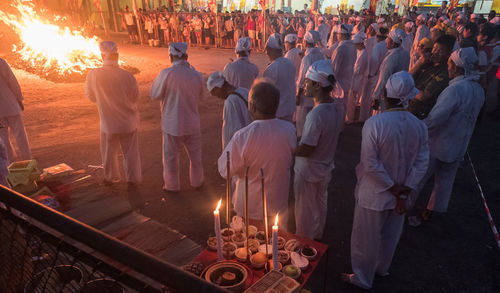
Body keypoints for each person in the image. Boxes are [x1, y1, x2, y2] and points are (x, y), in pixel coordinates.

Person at [342, 71, 429, 289]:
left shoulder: (375, 123)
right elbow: (422, 163)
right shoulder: (419, 126)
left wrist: (393, 188)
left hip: (375, 193)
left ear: (385, 95)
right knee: (390, 236)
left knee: (366, 239)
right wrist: (404, 191)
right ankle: (381, 268)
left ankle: (362, 277)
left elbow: (370, 164)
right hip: (401, 195)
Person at [416, 48, 485, 220]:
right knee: (445, 180)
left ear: (456, 67)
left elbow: (436, 119)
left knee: (419, 175)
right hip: (459, 145)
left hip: (439, 143)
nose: (447, 67)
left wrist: (416, 129)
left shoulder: (454, 90)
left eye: (449, 64)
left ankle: (404, 204)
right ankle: (433, 211)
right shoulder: (478, 89)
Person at [218, 81, 296, 229]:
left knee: (248, 246)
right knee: (276, 246)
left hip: (249, 208)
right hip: (278, 203)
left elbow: (224, 170)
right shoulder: (289, 129)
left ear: (252, 107)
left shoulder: (242, 136)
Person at [294, 60, 340, 240]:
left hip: (309, 170)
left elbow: (307, 148)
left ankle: (304, 242)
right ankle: (317, 234)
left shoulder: (316, 114)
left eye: (307, 82)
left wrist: (290, 148)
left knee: (304, 209)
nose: (304, 86)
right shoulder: (336, 107)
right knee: (320, 203)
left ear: (318, 85)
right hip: (325, 166)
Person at [85, 41, 141, 186]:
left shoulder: (94, 74)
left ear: (102, 55)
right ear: (117, 56)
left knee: (109, 153)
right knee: (131, 153)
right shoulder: (128, 75)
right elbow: (134, 96)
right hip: (128, 121)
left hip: (108, 123)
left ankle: (110, 177)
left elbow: (90, 97)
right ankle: (133, 180)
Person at [151, 43, 204, 192]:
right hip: (192, 122)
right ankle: (197, 182)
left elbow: (154, 94)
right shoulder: (196, 74)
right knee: (196, 157)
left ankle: (172, 186)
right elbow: (201, 95)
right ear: (186, 56)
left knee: (170, 159)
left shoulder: (166, 73)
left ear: (171, 56)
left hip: (172, 123)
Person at [409, 35, 455, 119]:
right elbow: (408, 76)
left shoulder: (444, 72)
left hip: (420, 114)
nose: (435, 52)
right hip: (409, 109)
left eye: (440, 50)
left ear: (448, 54)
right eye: (434, 48)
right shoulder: (426, 63)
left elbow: (423, 96)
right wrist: (419, 64)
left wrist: (406, 88)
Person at [207, 71, 252, 149]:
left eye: (215, 93)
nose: (217, 96)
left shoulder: (231, 100)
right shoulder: (244, 91)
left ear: (219, 87)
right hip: (252, 140)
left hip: (241, 148)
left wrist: (227, 155)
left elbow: (233, 131)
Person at [0, 57, 31, 163]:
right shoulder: (1, 62)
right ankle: (27, 159)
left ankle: (10, 162)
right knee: (20, 134)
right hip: (11, 105)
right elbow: (12, 81)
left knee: (3, 137)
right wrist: (19, 99)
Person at [373, 29, 411, 112]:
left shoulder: (391, 58)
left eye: (388, 39)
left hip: (387, 96)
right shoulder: (406, 54)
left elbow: (384, 79)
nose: (386, 41)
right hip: (399, 95)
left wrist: (376, 96)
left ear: (393, 43)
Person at [295, 31, 325, 137]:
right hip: (317, 93)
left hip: (306, 93)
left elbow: (302, 78)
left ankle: (302, 140)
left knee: (302, 120)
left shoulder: (307, 58)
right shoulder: (320, 54)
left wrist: (298, 95)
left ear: (306, 42)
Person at [263, 33, 297, 122]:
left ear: (271, 50)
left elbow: (266, 93)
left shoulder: (272, 68)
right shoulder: (289, 63)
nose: (266, 53)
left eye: (267, 49)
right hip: (289, 109)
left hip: (277, 112)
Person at [359, 27, 389, 122]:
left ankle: (365, 119)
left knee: (367, 98)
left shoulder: (378, 46)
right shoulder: (387, 46)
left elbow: (374, 61)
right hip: (382, 76)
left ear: (378, 37)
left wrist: (371, 73)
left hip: (374, 76)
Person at [331, 24, 358, 125]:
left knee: (337, 107)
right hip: (347, 81)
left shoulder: (340, 49)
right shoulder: (352, 47)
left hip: (338, 84)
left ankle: (336, 128)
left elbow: (334, 69)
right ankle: (340, 127)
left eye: (337, 34)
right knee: (343, 106)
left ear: (341, 35)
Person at [346, 33, 368, 124]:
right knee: (350, 100)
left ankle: (349, 119)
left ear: (359, 44)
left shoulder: (363, 54)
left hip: (356, 80)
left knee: (351, 101)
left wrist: (348, 69)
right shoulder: (360, 52)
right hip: (355, 79)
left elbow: (357, 70)